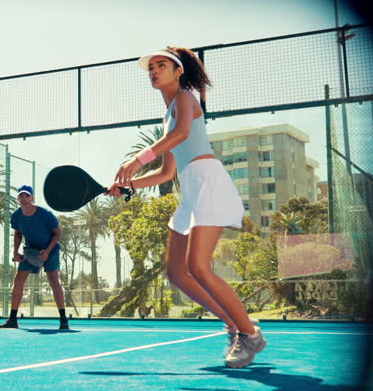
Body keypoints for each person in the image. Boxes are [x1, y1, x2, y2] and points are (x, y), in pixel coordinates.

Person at [106, 46, 265, 368]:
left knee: (200, 267)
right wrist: (127, 185)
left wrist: (137, 160)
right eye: (150, 67)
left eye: (161, 65)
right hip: (189, 191)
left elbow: (181, 135)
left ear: (178, 71)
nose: (153, 71)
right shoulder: (167, 115)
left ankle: (250, 335)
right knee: (177, 273)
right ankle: (234, 324)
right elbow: (167, 172)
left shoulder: (185, 97)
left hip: (208, 181)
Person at [0, 184, 70, 330]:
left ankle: (63, 320)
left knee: (53, 279)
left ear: (32, 197)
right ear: (17, 197)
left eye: (27, 195)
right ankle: (12, 319)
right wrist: (15, 252)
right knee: (18, 279)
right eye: (21, 196)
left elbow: (58, 233)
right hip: (30, 251)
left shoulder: (45, 214)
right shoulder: (16, 216)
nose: (24, 198)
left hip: (51, 250)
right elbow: (18, 233)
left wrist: (47, 251)